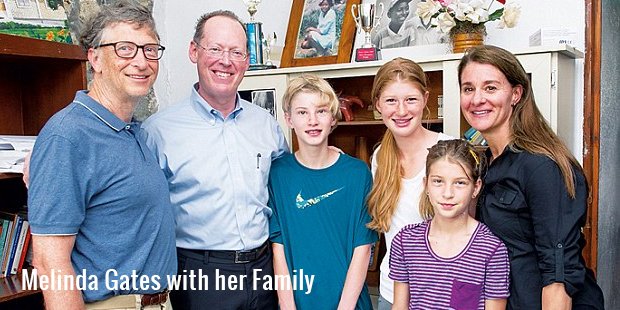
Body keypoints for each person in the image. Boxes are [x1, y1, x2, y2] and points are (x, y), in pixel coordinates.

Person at [27, 1, 176, 309]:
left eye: (150, 50)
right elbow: (49, 262)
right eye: (125, 49)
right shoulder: (67, 135)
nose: (141, 61)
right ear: (94, 57)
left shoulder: (136, 131)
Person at [141, 10, 287, 310]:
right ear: (194, 51)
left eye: (236, 52)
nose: (226, 60)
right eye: (216, 49)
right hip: (200, 276)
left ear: (247, 61)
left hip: (265, 269)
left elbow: (289, 184)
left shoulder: (267, 125)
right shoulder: (157, 132)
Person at [458, 45, 605, 309]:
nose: (477, 99)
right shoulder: (486, 164)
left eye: (490, 88)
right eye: (468, 88)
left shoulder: (542, 167)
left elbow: (558, 275)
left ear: (516, 94)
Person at [268, 75, 378, 309]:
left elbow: (363, 248)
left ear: (333, 118)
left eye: (321, 111)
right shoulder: (277, 175)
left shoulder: (357, 174)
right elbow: (279, 251)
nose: (312, 121)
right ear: (288, 119)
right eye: (302, 112)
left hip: (349, 303)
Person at [366, 57, 452, 310]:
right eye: (391, 100)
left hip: (441, 295)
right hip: (392, 293)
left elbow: (469, 232)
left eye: (410, 99)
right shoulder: (380, 157)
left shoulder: (450, 150)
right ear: (378, 105)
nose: (401, 111)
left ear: (426, 99)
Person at [390, 139, 510, 310]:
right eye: (438, 181)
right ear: (426, 185)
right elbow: (399, 306)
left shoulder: (491, 249)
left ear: (476, 187)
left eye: (460, 183)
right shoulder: (405, 241)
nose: (447, 194)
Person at [371, 0, 442, 49]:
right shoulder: (380, 35)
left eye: (407, 8)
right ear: (389, 14)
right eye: (399, 10)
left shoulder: (411, 27)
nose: (404, 13)